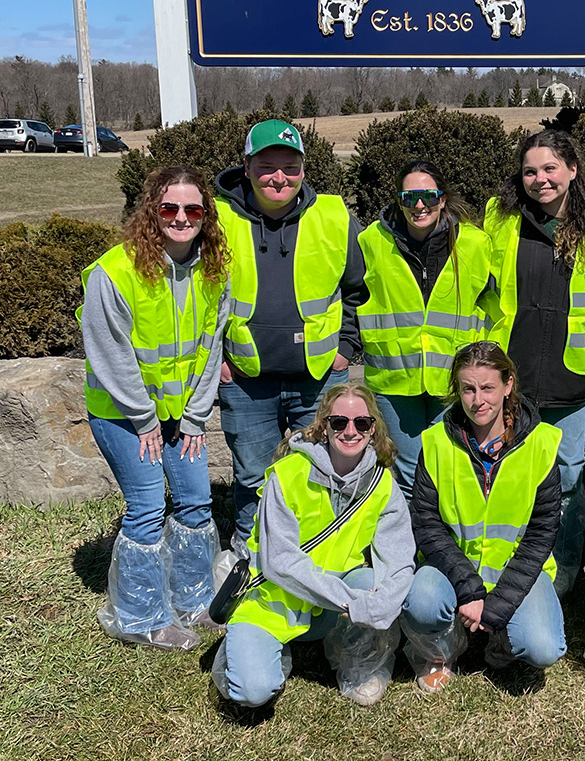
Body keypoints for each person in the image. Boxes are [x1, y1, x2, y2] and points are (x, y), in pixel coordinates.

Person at [80, 165, 230, 650]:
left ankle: (194, 598)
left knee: (196, 502)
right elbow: (110, 353)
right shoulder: (116, 272)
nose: (181, 217)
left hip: (178, 415)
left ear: (205, 215)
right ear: (152, 212)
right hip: (124, 414)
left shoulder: (214, 273)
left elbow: (211, 349)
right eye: (169, 208)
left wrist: (195, 416)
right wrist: (144, 418)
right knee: (146, 506)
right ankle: (140, 616)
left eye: (192, 209)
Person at [214, 119, 369, 554]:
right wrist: (215, 359)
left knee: (324, 472)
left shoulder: (335, 217)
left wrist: (346, 349)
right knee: (252, 478)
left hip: (319, 379)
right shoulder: (217, 218)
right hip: (246, 380)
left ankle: (319, 559)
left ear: (303, 168)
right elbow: (200, 297)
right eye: (267, 165)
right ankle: (252, 563)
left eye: (290, 165)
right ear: (246, 168)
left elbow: (360, 289)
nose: (279, 176)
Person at [214, 383, 415, 708]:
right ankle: (247, 649)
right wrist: (353, 602)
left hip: (329, 610)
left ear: (373, 428)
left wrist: (384, 604)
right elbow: (279, 562)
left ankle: (357, 661)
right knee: (252, 693)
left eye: (361, 423)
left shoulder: (383, 485)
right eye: (339, 422)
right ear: (323, 426)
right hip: (272, 605)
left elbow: (400, 559)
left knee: (371, 583)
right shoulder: (288, 475)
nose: (351, 431)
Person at [482, 129, 585, 595]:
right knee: (506, 472)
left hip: (569, 375)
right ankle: (506, 565)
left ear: (573, 170)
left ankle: (565, 571)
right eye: (530, 171)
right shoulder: (500, 220)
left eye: (550, 168)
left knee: (570, 476)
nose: (540, 179)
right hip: (509, 373)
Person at [400, 342, 566, 693]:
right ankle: (442, 649)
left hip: (516, 569)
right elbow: (427, 523)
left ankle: (501, 636)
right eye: (468, 389)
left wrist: (497, 606)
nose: (478, 400)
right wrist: (469, 588)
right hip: (454, 567)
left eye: (488, 387)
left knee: (542, 647)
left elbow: (541, 534)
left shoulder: (542, 444)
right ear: (457, 391)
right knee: (422, 603)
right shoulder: (435, 444)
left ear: (508, 386)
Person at [358, 160, 492, 498]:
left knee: (449, 469)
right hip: (394, 381)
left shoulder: (475, 244)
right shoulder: (371, 241)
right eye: (409, 197)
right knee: (406, 474)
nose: (419, 206)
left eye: (429, 196)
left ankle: (444, 547)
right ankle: (408, 550)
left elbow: (495, 306)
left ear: (443, 198)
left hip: (455, 380)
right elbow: (350, 298)